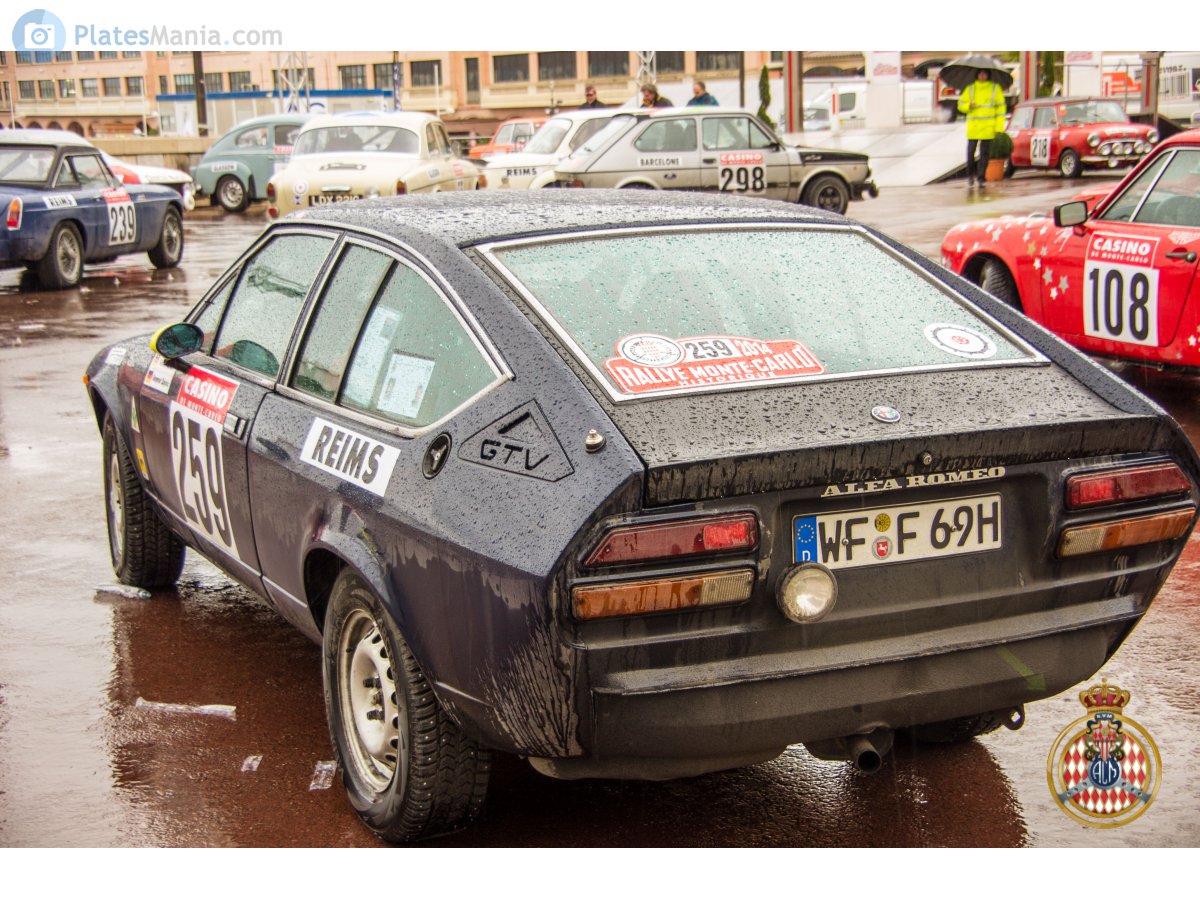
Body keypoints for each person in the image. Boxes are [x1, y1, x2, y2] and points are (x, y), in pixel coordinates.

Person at [957, 69, 1007, 187]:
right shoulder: (970, 89)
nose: (982, 76)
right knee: (970, 153)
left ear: (988, 75)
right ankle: (970, 176)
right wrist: (969, 105)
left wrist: (998, 128)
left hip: (988, 128)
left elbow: (1001, 111)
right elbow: (960, 105)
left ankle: (981, 178)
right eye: (980, 73)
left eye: (985, 73)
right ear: (977, 75)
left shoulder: (995, 89)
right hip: (974, 128)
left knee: (984, 155)